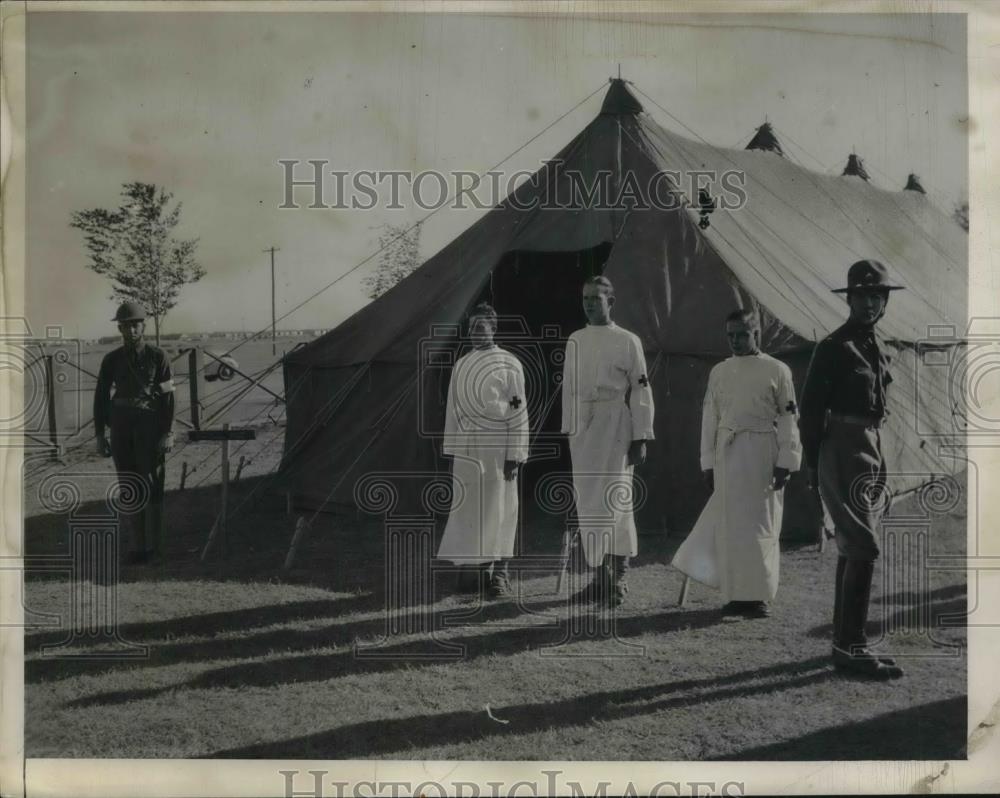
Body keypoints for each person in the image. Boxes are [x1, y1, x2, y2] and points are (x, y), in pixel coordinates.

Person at [799, 260, 905, 680]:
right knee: (864, 545)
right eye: (863, 296)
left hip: (870, 447)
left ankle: (845, 645)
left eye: (878, 296)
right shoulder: (834, 347)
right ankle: (852, 645)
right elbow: (810, 412)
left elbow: (879, 407)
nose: (871, 304)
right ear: (850, 299)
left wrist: (882, 463)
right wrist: (811, 463)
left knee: (854, 545)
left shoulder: (875, 345)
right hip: (840, 448)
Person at [671, 309, 801, 618]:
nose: (736, 341)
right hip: (728, 454)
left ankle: (757, 597)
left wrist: (787, 460)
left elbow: (788, 418)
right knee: (731, 527)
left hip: (762, 453)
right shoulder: (719, 372)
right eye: (730, 335)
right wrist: (708, 463)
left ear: (757, 334)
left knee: (760, 525)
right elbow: (710, 419)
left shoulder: (777, 370)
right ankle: (734, 595)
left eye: (742, 334)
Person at [561, 276, 654, 608]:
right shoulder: (575, 339)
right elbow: (570, 389)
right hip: (584, 431)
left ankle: (618, 578)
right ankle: (598, 579)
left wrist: (641, 436)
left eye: (596, 299)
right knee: (589, 504)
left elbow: (641, 389)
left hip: (616, 425)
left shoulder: (628, 341)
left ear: (610, 302)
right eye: (585, 298)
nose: (588, 304)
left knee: (616, 500)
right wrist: (571, 430)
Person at [437, 303, 529, 598]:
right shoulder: (461, 364)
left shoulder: (509, 363)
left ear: (493, 327)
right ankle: (474, 569)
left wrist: (515, 453)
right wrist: (452, 449)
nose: (475, 333)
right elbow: (452, 410)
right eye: (471, 327)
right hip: (466, 448)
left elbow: (519, 410)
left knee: (500, 508)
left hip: (496, 446)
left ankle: (499, 574)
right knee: (469, 508)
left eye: (481, 327)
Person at [94, 301, 175, 566]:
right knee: (129, 485)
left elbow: (168, 398)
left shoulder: (158, 356)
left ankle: (157, 546)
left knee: (152, 483)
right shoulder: (112, 360)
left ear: (144, 325)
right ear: (119, 328)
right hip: (121, 428)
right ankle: (138, 547)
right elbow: (101, 397)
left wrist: (168, 432)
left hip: (149, 427)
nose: (130, 330)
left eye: (135, 324)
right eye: (125, 326)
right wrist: (99, 435)